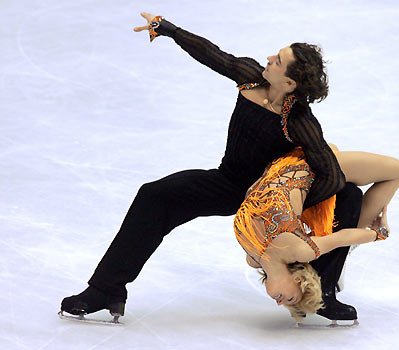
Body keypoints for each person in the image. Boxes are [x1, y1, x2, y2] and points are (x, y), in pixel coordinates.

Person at [60, 12, 362, 323]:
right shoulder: (251, 76)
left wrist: (289, 205)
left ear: (289, 82)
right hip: (228, 183)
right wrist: (169, 30)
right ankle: (105, 289)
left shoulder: (298, 120)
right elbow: (213, 55)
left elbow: (332, 176)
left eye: (278, 60)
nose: (269, 57)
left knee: (350, 196)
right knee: (154, 196)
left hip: (267, 198)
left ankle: (323, 293)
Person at [235, 145, 399, 323]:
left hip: (291, 163)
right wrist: (379, 234)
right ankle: (341, 253)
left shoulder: (253, 258)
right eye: (290, 299)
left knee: (341, 161)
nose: (280, 303)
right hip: (311, 169)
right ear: (299, 279)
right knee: (397, 171)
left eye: (292, 301)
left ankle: (341, 252)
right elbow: (342, 237)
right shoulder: (298, 250)